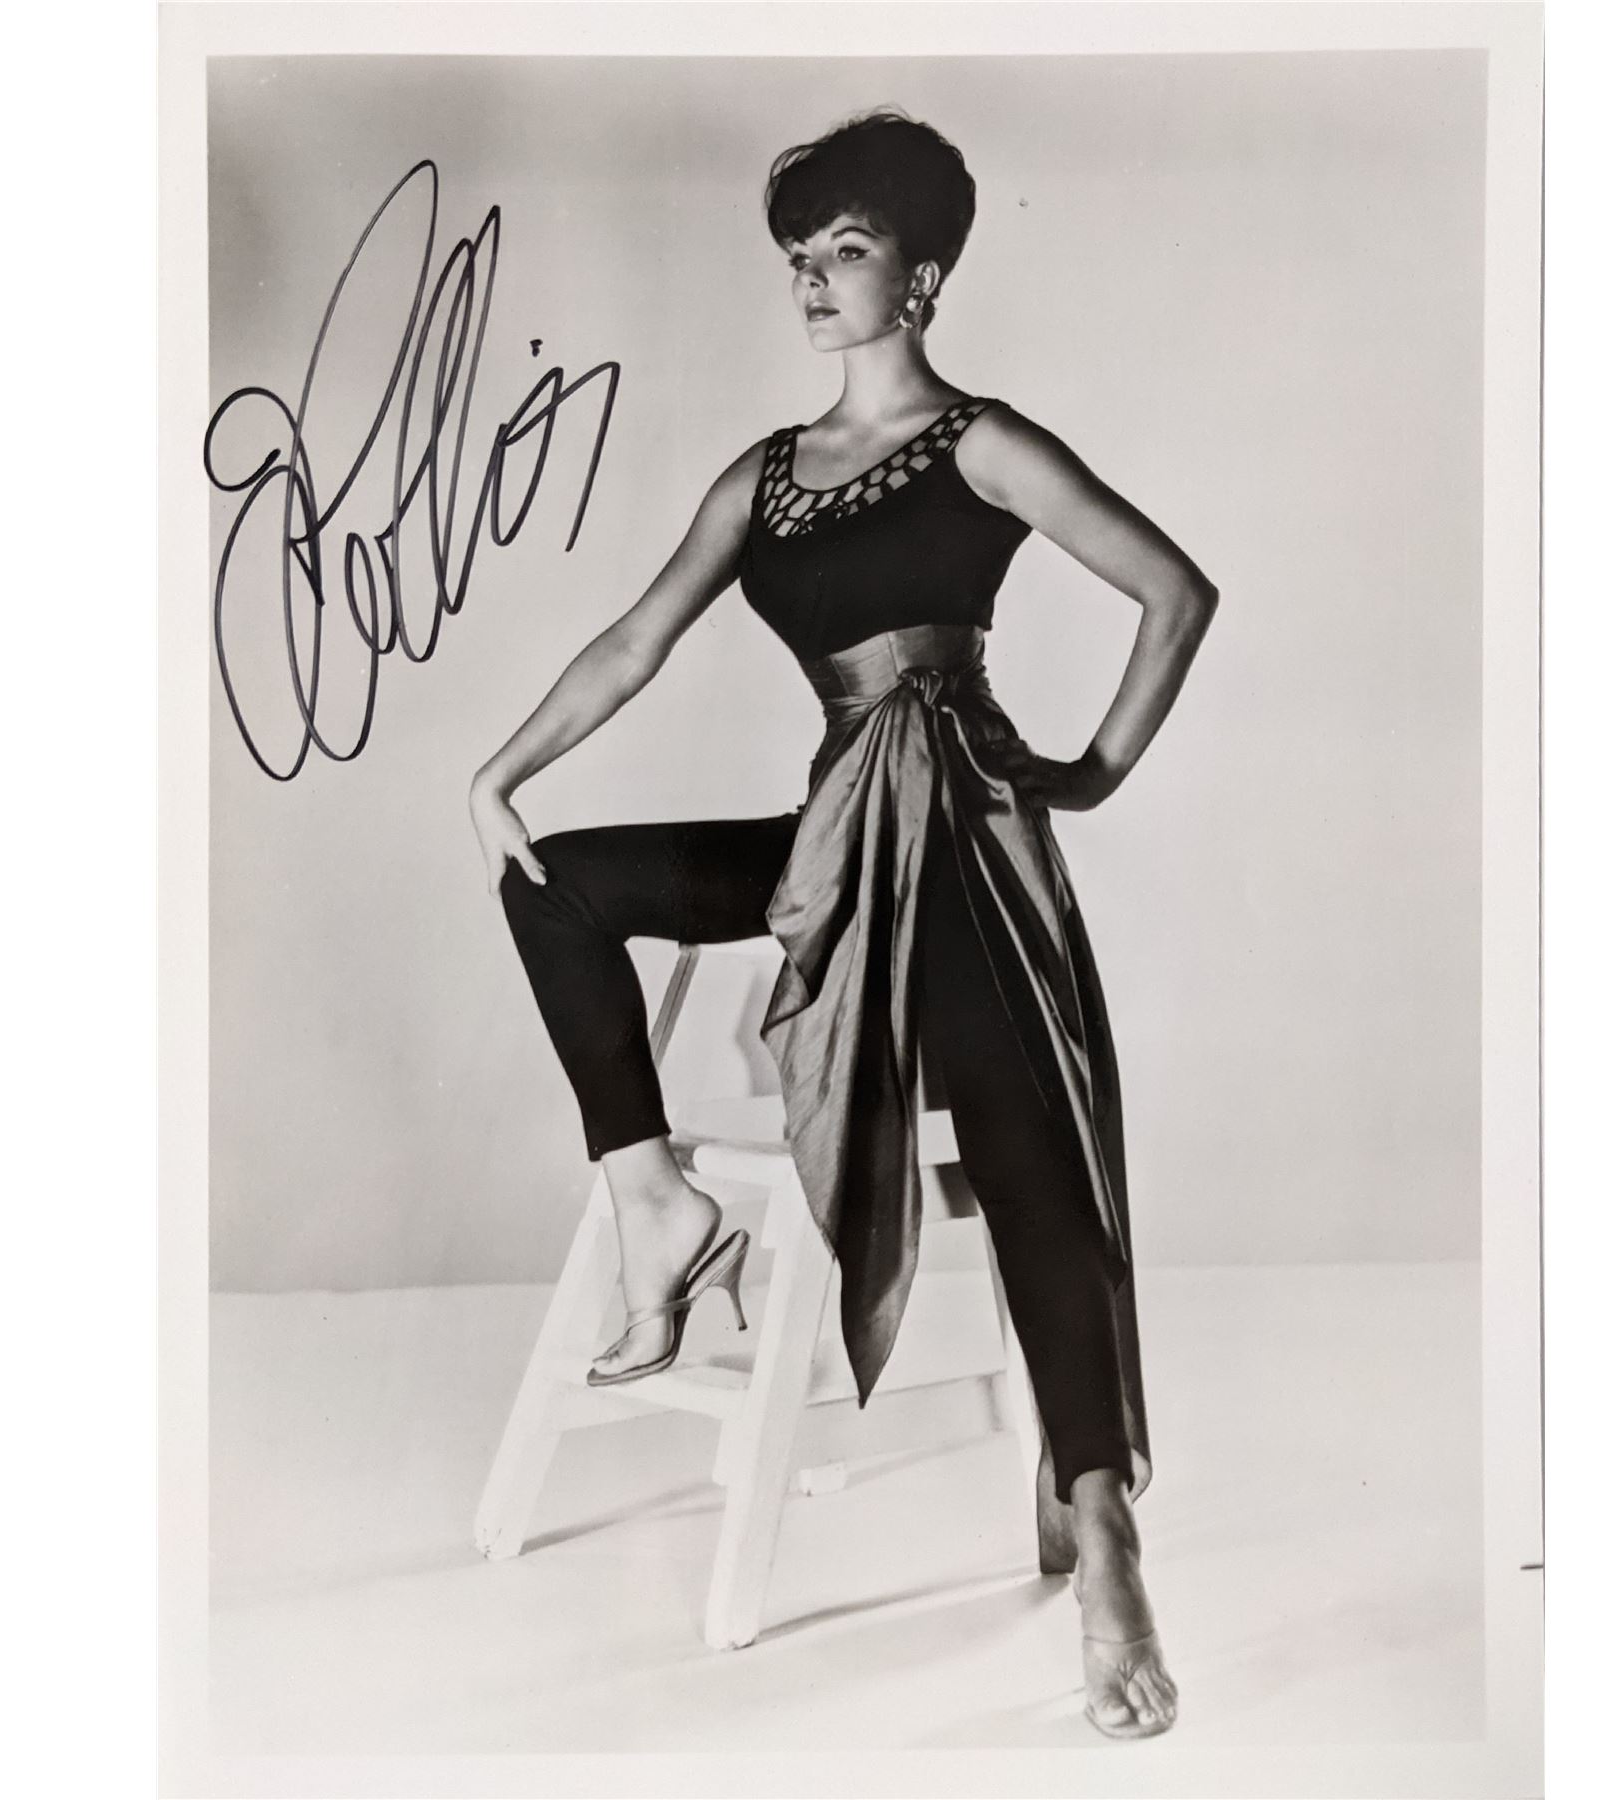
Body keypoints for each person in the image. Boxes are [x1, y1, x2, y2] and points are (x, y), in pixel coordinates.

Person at [469, 108, 1217, 1741]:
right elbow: (635, 640)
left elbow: (1177, 592)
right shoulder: (762, 476)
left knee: (1023, 1146)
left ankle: (1105, 1533)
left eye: (848, 250)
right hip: (833, 838)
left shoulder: (982, 443)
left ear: (923, 277)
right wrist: (502, 771)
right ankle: (658, 1204)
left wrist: (1089, 772)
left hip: (958, 847)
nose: (812, 280)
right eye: (797, 256)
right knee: (558, 886)